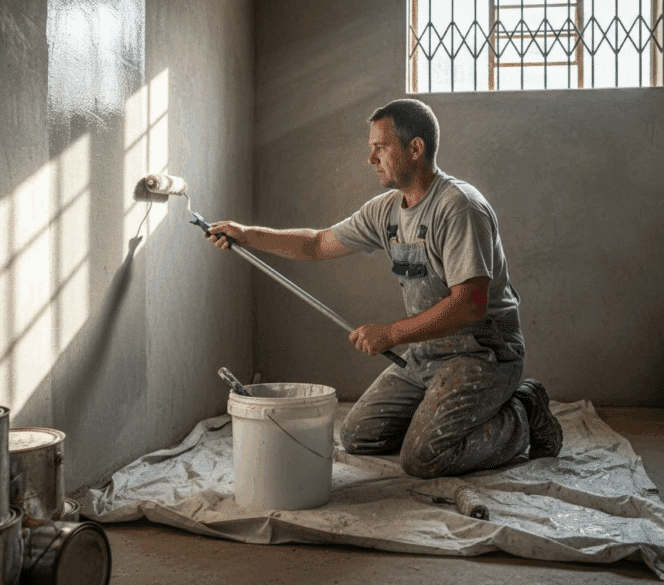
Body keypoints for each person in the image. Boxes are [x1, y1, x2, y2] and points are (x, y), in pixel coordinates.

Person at [206, 98, 562, 479]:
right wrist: (247, 235)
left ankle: (525, 409)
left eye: (380, 148)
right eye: (370, 149)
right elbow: (316, 243)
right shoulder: (387, 209)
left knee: (423, 459)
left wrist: (390, 333)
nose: (370, 159)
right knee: (359, 436)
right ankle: (442, 412)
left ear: (416, 148)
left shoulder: (458, 207)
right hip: (427, 353)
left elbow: (469, 306)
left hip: (483, 355)